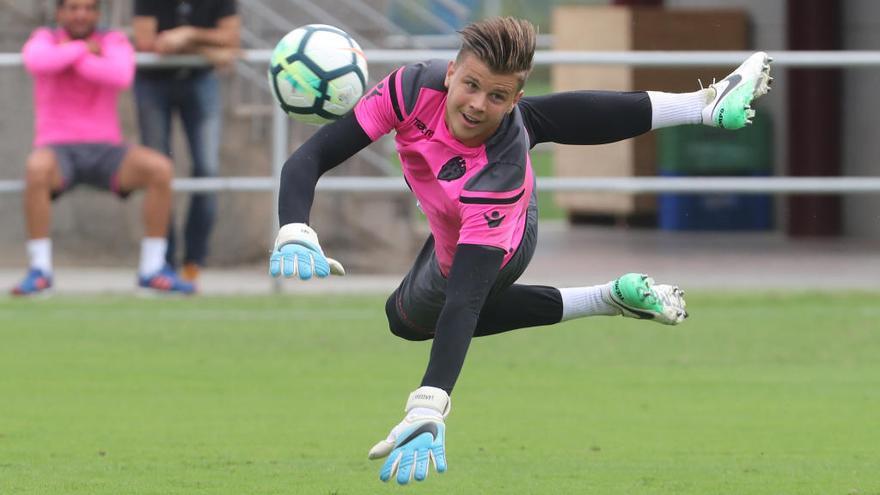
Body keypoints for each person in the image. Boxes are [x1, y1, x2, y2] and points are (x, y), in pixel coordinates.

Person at [269, 17, 772, 484]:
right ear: (450, 73)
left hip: (501, 233)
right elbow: (312, 156)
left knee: (407, 318)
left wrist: (428, 404)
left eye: (497, 95)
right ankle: (702, 107)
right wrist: (294, 225)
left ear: (513, 95)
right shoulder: (410, 88)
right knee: (532, 122)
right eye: (471, 85)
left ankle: (607, 294)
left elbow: (464, 301)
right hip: (450, 221)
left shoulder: (501, 172)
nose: (477, 104)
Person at [12, 0, 194, 296]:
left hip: (106, 150)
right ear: (60, 13)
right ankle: (40, 270)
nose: (80, 14)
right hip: (58, 149)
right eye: (73, 8)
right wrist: (82, 50)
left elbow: (120, 75)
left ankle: (152, 269)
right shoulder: (44, 37)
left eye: (88, 8)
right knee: (36, 168)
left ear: (97, 13)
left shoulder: (113, 39)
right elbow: (37, 62)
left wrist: (70, 57)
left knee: (160, 168)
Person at [132, 0, 241, 285]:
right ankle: (162, 263)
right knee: (158, 173)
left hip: (199, 80)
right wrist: (209, 50)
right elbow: (147, 42)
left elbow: (231, 38)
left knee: (207, 171)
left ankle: (193, 261)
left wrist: (188, 35)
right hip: (153, 84)